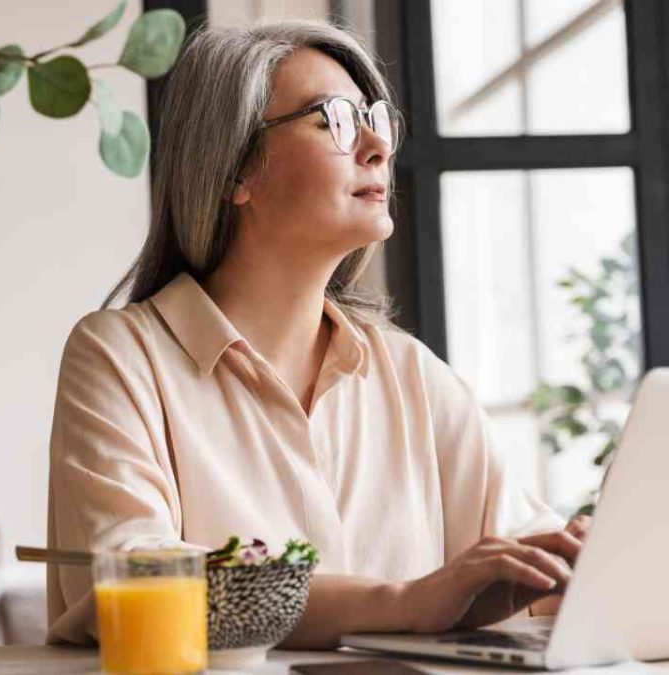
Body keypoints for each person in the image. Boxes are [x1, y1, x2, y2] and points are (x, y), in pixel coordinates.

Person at [44, 19, 592, 649]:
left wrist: (578, 570)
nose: (378, 148)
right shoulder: (119, 356)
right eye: (332, 118)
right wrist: (405, 603)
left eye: (375, 119)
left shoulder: (412, 373)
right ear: (234, 170)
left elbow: (523, 560)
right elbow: (137, 579)